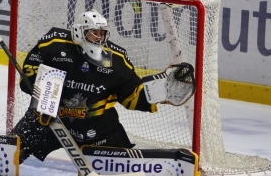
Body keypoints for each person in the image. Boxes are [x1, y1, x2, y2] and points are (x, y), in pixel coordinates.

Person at [11, 10, 195, 164]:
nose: (98, 38)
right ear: (79, 32)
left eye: (102, 33)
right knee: (10, 152)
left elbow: (132, 96)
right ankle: (5, 151)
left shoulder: (116, 61)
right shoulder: (53, 45)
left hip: (96, 130)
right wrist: (37, 85)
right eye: (93, 33)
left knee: (126, 166)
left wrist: (160, 90)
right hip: (47, 121)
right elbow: (29, 72)